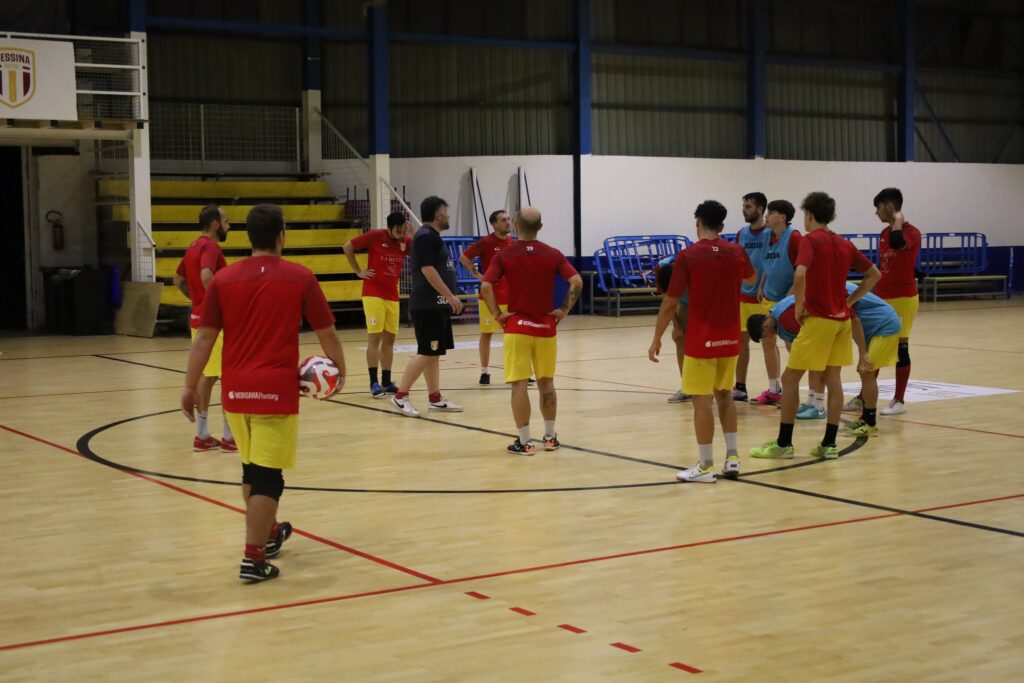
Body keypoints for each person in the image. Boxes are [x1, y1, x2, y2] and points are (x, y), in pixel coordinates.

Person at [180, 203, 347, 583]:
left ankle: (269, 534)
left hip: (235, 391)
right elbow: (327, 333)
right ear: (281, 236)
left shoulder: (225, 280)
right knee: (269, 480)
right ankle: (253, 560)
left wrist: (189, 386)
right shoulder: (300, 277)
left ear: (248, 237)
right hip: (276, 390)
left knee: (252, 471)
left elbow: (205, 338)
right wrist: (340, 369)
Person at [750, 192, 880, 460]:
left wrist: (798, 306)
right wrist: (850, 301)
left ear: (808, 215)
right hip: (841, 321)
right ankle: (828, 445)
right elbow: (873, 274)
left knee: (789, 379)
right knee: (833, 380)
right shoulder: (843, 243)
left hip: (819, 320)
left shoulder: (811, 241)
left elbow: (800, 273)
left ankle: (784, 444)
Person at [649, 200, 756, 483]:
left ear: (697, 222)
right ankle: (732, 458)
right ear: (721, 225)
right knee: (725, 396)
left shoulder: (688, 256)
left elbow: (671, 301)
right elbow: (751, 279)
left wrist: (657, 336)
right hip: (730, 337)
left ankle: (706, 465)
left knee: (701, 401)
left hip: (701, 339)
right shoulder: (736, 251)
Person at [480, 206, 582, 455]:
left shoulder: (505, 254)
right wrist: (563, 309)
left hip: (517, 328)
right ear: (541, 227)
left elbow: (485, 286)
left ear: (516, 225)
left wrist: (497, 315)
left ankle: (525, 442)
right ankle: (549, 438)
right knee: (547, 383)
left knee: (519, 386)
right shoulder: (553, 254)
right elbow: (576, 281)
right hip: (546, 328)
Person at [748, 282, 900, 437]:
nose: (769, 338)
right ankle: (861, 418)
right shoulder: (785, 311)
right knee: (859, 373)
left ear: (765, 326)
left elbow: (855, 320)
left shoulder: (822, 296)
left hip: (884, 324)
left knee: (866, 371)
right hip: (868, 328)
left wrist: (862, 352)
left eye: (764, 336)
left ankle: (869, 422)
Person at [845, 188, 921, 417]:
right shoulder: (883, 233)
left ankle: (898, 400)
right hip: (883, 296)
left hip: (904, 298)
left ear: (889, 206)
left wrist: (898, 220)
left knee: (901, 347)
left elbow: (899, 244)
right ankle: (863, 397)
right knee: (872, 345)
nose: (876, 213)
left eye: (878, 207)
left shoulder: (911, 232)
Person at [391, 196, 464, 417]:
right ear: (438, 214)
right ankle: (400, 396)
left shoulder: (427, 236)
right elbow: (427, 270)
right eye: (446, 211)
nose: (448, 215)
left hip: (436, 305)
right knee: (426, 352)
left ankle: (435, 397)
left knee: (433, 353)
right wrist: (450, 296)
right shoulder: (426, 237)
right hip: (428, 305)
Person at [172, 204, 236, 453]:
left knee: (207, 378)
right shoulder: (210, 246)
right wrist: (221, 304)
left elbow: (178, 280)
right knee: (228, 376)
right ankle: (231, 437)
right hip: (215, 323)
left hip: (197, 319)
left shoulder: (192, 246)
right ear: (214, 224)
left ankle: (202, 435)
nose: (229, 226)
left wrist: (198, 302)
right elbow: (207, 274)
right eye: (227, 221)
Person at [343, 211, 412, 397]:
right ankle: (373, 382)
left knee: (390, 339)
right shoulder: (375, 236)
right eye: (398, 230)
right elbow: (347, 247)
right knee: (375, 338)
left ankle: (387, 381)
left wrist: (412, 235)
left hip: (392, 295)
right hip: (373, 293)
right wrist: (358, 271)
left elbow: (421, 253)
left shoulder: (406, 240)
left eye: (403, 230)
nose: (401, 234)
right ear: (389, 228)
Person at [750, 199, 801, 406]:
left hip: (788, 301)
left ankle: (794, 395)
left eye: (770, 213)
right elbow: (766, 264)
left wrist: (790, 298)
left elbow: (801, 270)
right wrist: (762, 285)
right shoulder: (768, 237)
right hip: (770, 298)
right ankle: (774, 390)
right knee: (767, 343)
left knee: (793, 348)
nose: (766, 216)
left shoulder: (795, 237)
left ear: (782, 217)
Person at [459, 209, 514, 385]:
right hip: (489, 296)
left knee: (513, 335)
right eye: (503, 220)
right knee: (487, 334)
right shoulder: (486, 242)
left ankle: (517, 371)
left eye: (508, 219)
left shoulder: (513, 243)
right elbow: (464, 258)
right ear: (494, 224)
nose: (507, 222)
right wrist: (478, 275)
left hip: (510, 296)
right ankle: (484, 371)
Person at [733, 192, 772, 402]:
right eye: (743, 205)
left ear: (759, 209)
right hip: (742, 296)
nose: (743, 209)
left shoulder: (771, 234)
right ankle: (740, 387)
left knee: (768, 343)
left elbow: (771, 261)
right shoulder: (742, 233)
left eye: (748, 206)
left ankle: (774, 387)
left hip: (763, 297)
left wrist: (764, 284)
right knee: (741, 343)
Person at [654, 256, 690, 403]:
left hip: (703, 297)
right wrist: (676, 326)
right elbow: (668, 301)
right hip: (684, 301)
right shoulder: (661, 268)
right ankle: (687, 388)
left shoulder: (694, 267)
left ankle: (708, 387)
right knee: (679, 338)